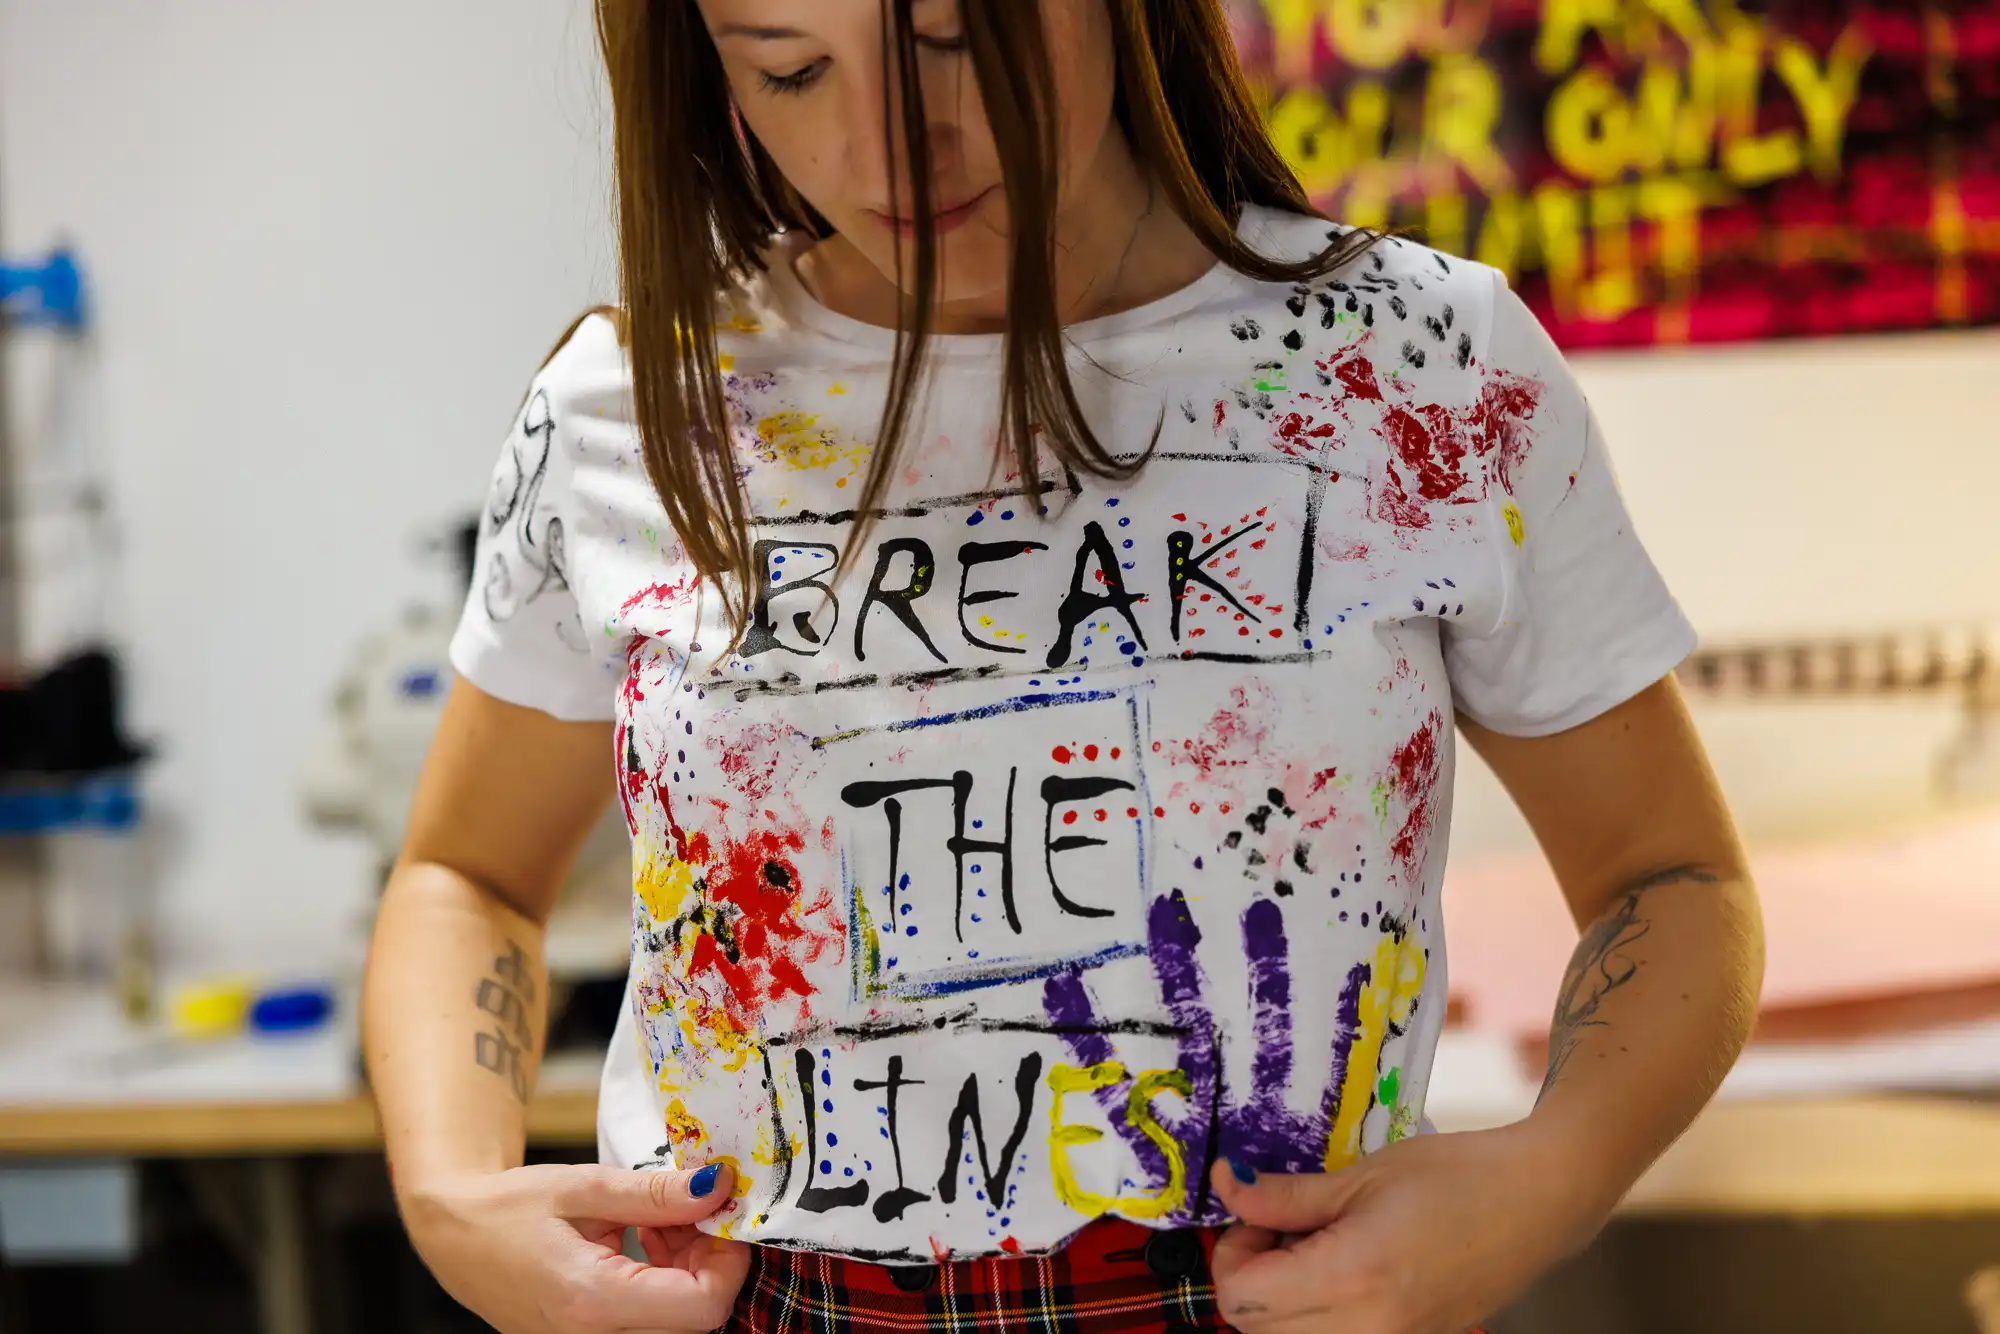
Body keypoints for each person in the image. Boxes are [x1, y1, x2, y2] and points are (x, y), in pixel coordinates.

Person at [361, 1, 1765, 1331]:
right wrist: (448, 1198)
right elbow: (466, 878)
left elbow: (1672, 879)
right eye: (790, 69)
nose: (890, 151)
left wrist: (1546, 1180)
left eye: (953, 39)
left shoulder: (1414, 366)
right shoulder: (629, 409)